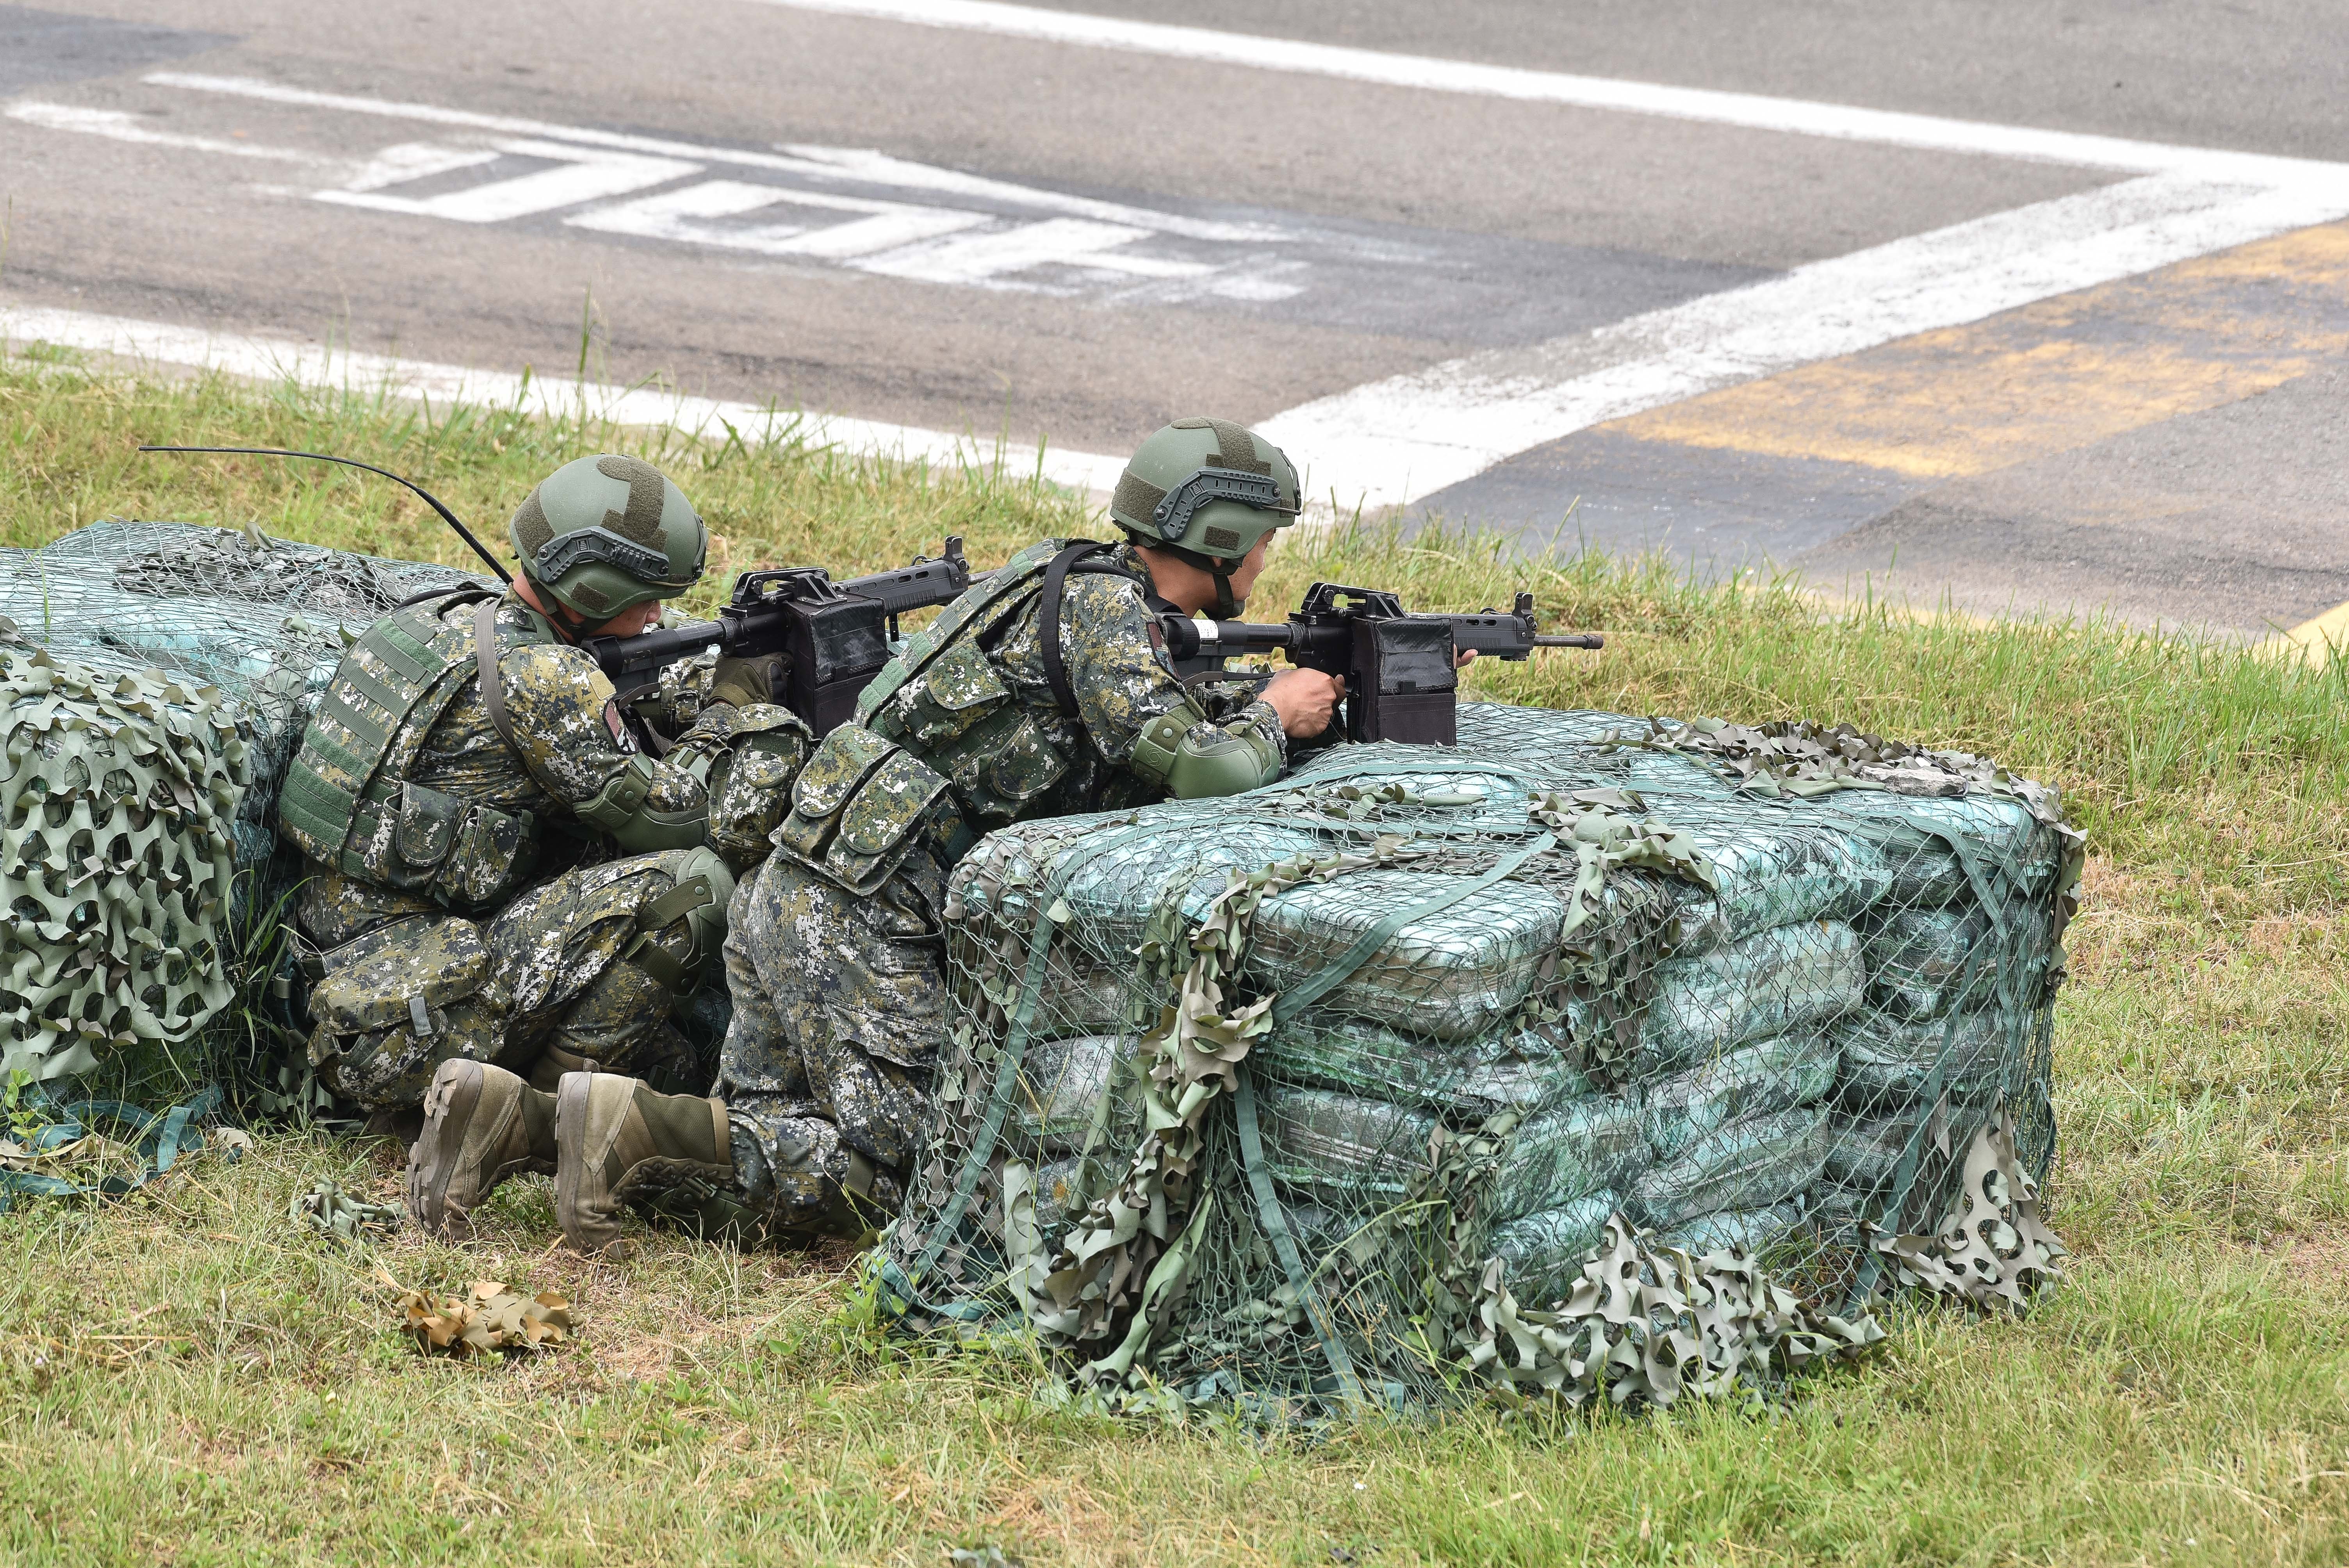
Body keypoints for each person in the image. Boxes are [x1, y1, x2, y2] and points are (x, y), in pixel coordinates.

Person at [408, 417, 1344, 1254]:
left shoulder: (1057, 576)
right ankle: (626, 1128)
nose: (1266, 562)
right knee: (914, 1180)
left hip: (797, 883)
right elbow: (1203, 770)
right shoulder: (1107, 612)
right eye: (1263, 542)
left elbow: (1136, 710)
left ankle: (524, 1121)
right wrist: (1273, 713)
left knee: (768, 1146)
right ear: (1218, 539)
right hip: (859, 919)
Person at [274, 454, 808, 1229]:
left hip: (332, 1003)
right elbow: (681, 820)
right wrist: (734, 712)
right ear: (598, 590)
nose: (659, 618)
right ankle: (538, 1121)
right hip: (408, 1022)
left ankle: (499, 1094)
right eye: (650, 601)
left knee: (678, 1068)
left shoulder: (436, 623)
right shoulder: (547, 679)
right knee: (689, 888)